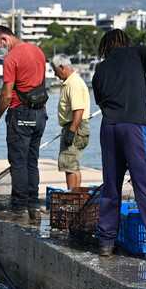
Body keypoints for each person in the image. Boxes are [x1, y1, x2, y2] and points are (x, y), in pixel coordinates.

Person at [92, 29, 146, 262]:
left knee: (111, 186)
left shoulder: (100, 70)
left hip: (109, 129)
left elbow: (101, 101)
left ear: (105, 47)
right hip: (134, 127)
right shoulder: (137, 53)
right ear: (125, 42)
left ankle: (106, 243)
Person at [0, 25, 49, 221]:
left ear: (5, 39)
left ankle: (18, 209)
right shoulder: (38, 51)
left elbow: (6, 95)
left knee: (19, 163)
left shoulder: (12, 58)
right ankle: (33, 207)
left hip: (20, 112)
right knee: (32, 162)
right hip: (40, 113)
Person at [50, 54, 90, 190]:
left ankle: (72, 200)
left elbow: (78, 109)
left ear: (61, 67)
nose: (55, 75)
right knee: (73, 164)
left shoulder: (73, 83)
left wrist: (71, 132)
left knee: (68, 163)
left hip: (75, 126)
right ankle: (76, 197)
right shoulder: (73, 82)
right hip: (78, 126)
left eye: (55, 71)